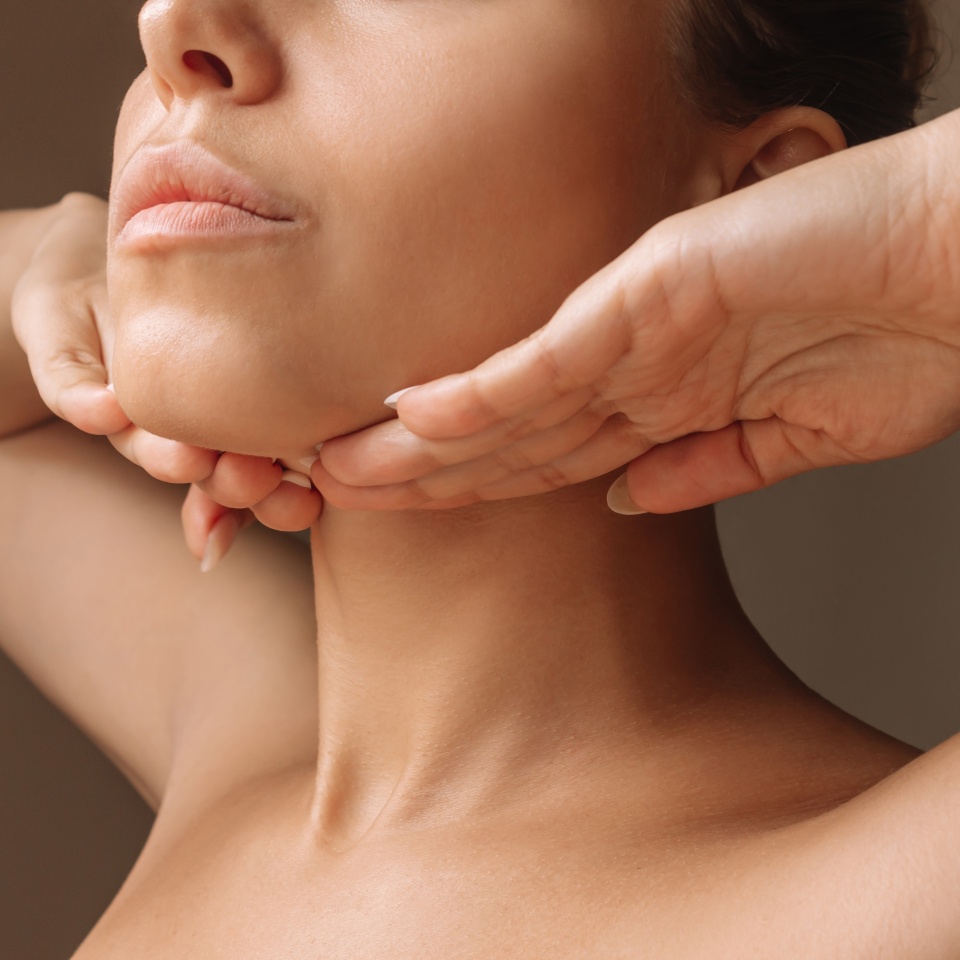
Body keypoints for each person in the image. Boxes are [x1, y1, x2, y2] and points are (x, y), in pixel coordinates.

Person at [3, 0, 960, 956]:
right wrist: (46, 261)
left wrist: (927, 227)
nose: (173, 26)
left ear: (761, 191)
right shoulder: (232, 742)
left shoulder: (896, 887)